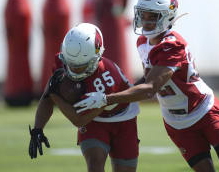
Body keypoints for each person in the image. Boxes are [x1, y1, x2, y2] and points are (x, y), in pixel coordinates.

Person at [74, 0, 219, 172]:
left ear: (168, 16)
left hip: (204, 111)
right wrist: (118, 95)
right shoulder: (143, 42)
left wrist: (108, 98)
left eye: (152, 16)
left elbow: (149, 89)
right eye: (142, 14)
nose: (145, 21)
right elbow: (147, 78)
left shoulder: (172, 45)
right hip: (176, 123)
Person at [28, 23, 140, 172]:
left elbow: (79, 119)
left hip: (123, 118)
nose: (74, 70)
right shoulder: (63, 63)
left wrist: (55, 94)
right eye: (71, 64)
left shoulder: (107, 77)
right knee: (94, 165)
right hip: (95, 122)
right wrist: (37, 129)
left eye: (80, 66)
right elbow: (47, 97)